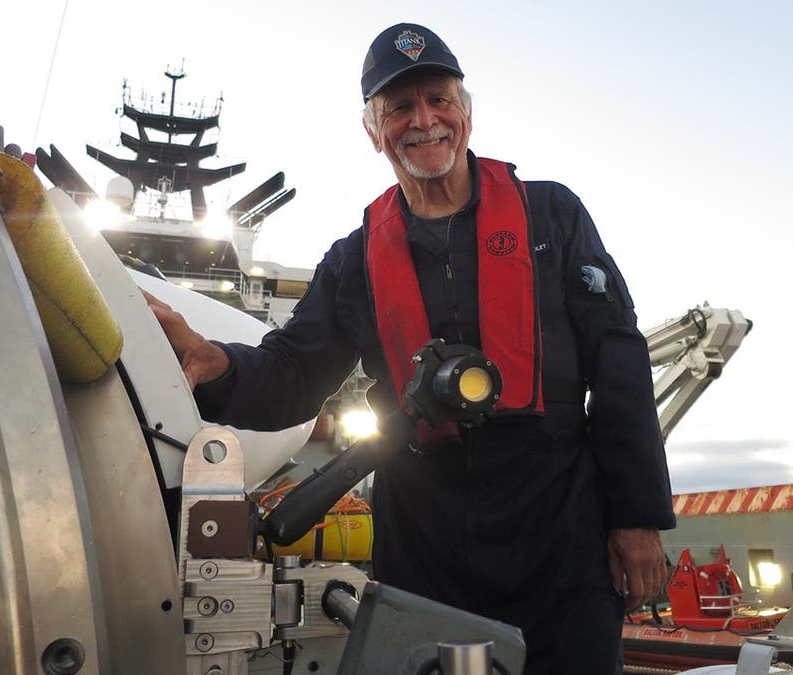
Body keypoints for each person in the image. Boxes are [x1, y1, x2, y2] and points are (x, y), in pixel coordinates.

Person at [146, 22, 675, 674]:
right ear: (374, 131)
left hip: (559, 520)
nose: (424, 121)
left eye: (439, 100)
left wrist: (636, 518)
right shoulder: (353, 261)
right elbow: (291, 371)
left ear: (467, 115)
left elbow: (618, 364)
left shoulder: (554, 217)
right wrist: (215, 361)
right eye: (399, 108)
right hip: (428, 531)